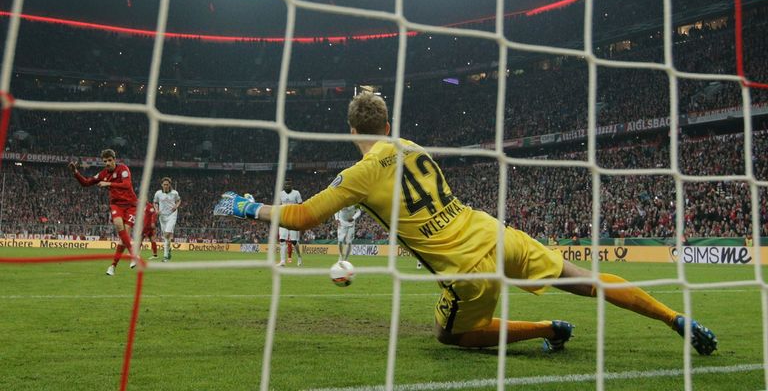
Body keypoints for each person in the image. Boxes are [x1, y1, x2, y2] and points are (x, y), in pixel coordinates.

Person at [214, 93, 717, 355]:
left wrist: (247, 208)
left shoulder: (359, 173)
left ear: (353, 133)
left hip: (466, 266)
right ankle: (677, 318)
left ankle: (548, 328)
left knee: (448, 337)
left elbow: (302, 217)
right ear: (387, 126)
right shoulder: (413, 146)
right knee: (584, 281)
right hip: (496, 232)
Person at [69, 149, 138, 276]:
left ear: (114, 159)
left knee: (124, 238)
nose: (107, 163)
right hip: (116, 204)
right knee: (118, 225)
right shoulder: (103, 174)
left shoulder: (123, 169)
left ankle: (113, 265)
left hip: (131, 206)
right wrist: (75, 172)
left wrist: (109, 183)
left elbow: (127, 185)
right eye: (105, 161)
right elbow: (86, 183)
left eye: (109, 160)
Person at [153, 177, 181, 262]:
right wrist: (156, 210)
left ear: (169, 185)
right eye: (164, 184)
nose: (166, 186)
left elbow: (179, 200)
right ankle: (168, 250)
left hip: (172, 215)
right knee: (166, 237)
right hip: (162, 216)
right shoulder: (158, 193)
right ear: (162, 185)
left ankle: (165, 256)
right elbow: (155, 202)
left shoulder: (174, 193)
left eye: (167, 185)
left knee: (167, 233)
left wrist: (176, 206)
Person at [277, 178, 303, 267]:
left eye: (289, 184)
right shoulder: (280, 194)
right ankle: (282, 261)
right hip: (283, 219)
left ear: (292, 185)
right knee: (282, 240)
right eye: (286, 184)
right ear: (284, 185)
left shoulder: (296, 193)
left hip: (293, 219)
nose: (287, 186)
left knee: (294, 241)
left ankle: (299, 256)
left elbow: (301, 206)